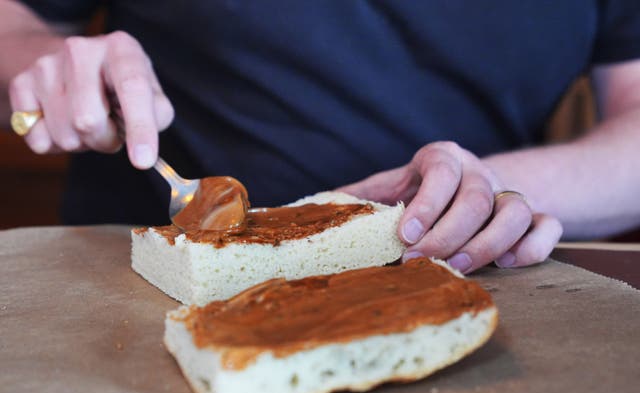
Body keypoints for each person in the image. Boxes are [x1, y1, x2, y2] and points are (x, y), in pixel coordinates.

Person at [2, 1, 640, 274]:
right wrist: (50, 69)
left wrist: (484, 191)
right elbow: (15, 26)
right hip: (136, 278)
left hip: (449, 269)